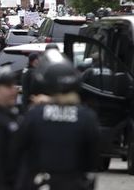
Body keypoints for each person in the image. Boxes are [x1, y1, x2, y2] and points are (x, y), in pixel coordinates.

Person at [14, 49, 100, 190]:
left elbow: (18, 154)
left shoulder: (34, 115)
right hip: (74, 184)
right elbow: (92, 161)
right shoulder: (87, 118)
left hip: (40, 183)